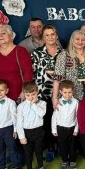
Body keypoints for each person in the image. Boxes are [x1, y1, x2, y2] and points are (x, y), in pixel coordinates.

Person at [31, 24, 63, 160]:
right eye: (47, 35)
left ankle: (60, 145)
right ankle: (50, 147)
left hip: (60, 93)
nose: (50, 37)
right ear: (43, 38)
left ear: (57, 36)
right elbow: (32, 73)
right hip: (42, 92)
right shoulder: (36, 53)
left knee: (59, 120)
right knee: (45, 120)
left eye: (52, 34)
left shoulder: (63, 53)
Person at [0, 24, 33, 103]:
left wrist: (24, 91)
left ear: (11, 35)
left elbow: (28, 73)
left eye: (3, 33)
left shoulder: (21, 51)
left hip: (19, 96)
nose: (0, 36)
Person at [52, 30, 85, 103]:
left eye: (83, 40)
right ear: (72, 40)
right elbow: (57, 78)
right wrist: (54, 98)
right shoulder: (64, 55)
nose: (80, 42)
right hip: (69, 96)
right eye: (77, 39)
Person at [16, 81, 47, 169]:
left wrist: (33, 105)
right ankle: (29, 168)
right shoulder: (21, 106)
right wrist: (21, 137)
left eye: (33, 94)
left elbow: (41, 114)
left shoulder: (42, 103)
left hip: (38, 131)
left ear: (37, 92)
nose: (30, 97)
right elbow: (19, 123)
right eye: (28, 95)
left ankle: (41, 166)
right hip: (26, 132)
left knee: (39, 151)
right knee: (28, 152)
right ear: (24, 94)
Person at [51, 80, 79, 169]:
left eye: (69, 92)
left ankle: (72, 161)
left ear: (73, 91)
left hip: (72, 128)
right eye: (65, 92)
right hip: (60, 128)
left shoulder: (76, 102)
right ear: (60, 92)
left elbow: (77, 116)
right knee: (62, 146)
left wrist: (76, 129)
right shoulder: (58, 102)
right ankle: (65, 161)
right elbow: (54, 116)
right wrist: (54, 129)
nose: (67, 95)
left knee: (72, 146)